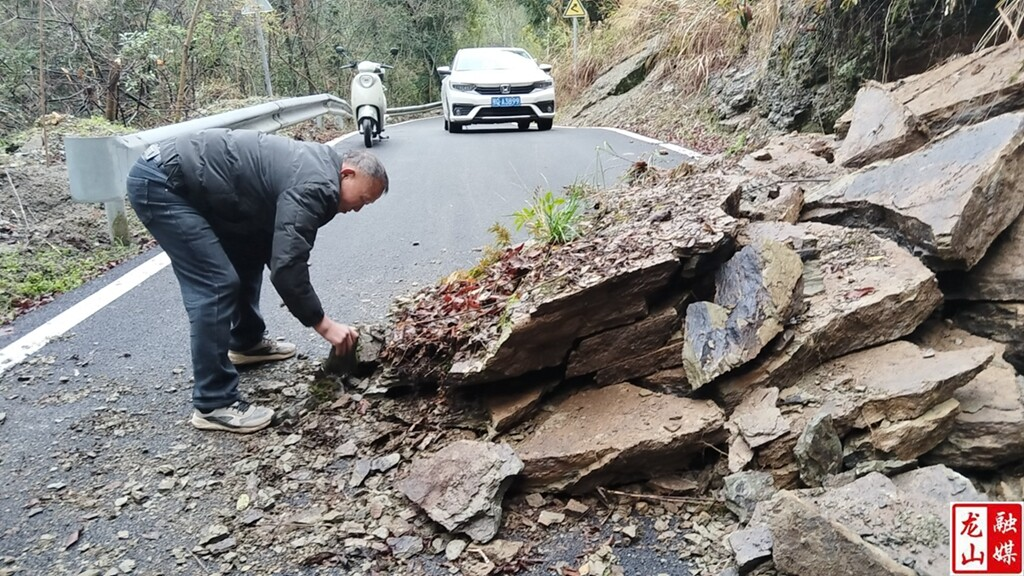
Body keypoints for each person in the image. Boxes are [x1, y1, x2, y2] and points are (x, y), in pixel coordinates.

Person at [126, 128, 389, 434]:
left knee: (250, 250)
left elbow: (275, 244)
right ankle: (214, 403)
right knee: (215, 283)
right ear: (348, 173)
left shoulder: (319, 170)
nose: (358, 208)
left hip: (195, 181)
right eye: (362, 199)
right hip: (164, 183)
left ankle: (246, 342)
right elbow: (287, 265)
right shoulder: (316, 184)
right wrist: (323, 324)